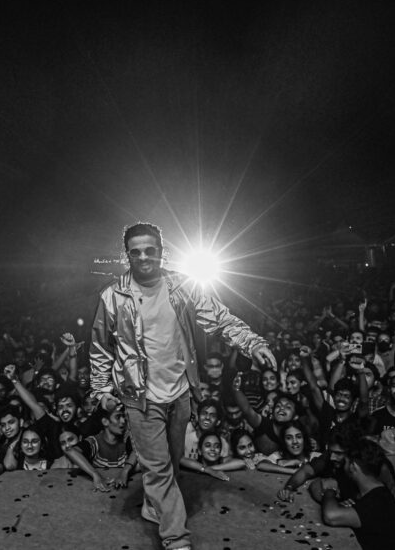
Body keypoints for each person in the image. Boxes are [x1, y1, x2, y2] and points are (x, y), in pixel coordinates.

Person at [91, 222, 276, 550]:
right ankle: (176, 539)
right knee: (159, 468)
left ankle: (153, 506)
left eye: (150, 250)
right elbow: (101, 348)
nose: (143, 257)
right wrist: (101, 390)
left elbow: (220, 318)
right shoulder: (113, 296)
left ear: (162, 252)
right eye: (135, 252)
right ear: (127, 255)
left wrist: (252, 343)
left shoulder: (181, 288)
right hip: (139, 398)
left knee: (171, 462)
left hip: (179, 393)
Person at [313, 439, 395, 550]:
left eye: (346, 462)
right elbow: (315, 485)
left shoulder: (379, 500)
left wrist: (330, 490)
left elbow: (331, 516)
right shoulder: (370, 489)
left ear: (353, 466)